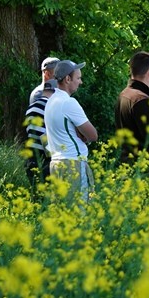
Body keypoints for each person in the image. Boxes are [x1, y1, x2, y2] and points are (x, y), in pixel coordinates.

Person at [44, 59, 98, 203]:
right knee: (80, 214)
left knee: (62, 214)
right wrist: (81, 134)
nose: (80, 82)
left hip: (56, 164)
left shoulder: (50, 101)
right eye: (78, 78)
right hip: (73, 164)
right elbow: (93, 135)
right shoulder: (69, 103)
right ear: (68, 79)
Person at [24, 79, 56, 187]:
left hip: (30, 158)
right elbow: (43, 136)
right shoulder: (48, 106)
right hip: (42, 161)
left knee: (36, 197)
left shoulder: (31, 107)